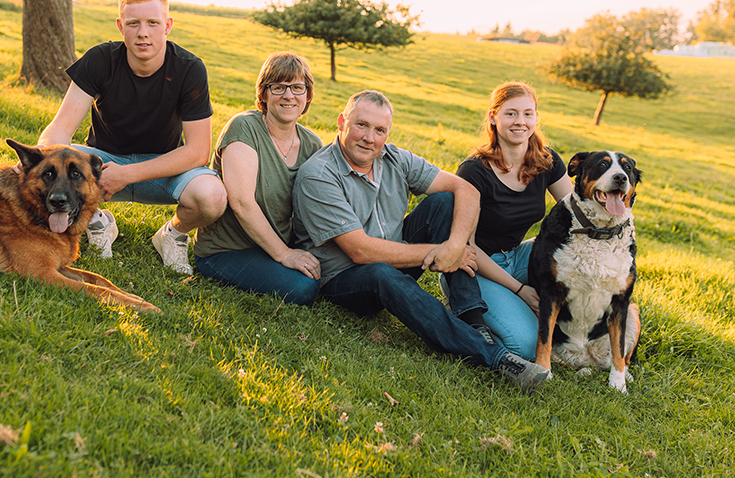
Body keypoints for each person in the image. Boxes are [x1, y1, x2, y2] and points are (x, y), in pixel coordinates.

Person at [291, 90, 550, 392]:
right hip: (344, 278)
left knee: (444, 202)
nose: (369, 138)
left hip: (393, 257)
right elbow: (360, 251)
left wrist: (455, 247)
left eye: (379, 130)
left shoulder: (394, 158)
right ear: (341, 122)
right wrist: (440, 251)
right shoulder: (319, 175)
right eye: (361, 125)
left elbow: (466, 190)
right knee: (381, 273)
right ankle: (495, 357)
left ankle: (475, 321)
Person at [36, 0, 226, 274]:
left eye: (153, 23)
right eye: (133, 23)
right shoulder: (100, 59)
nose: (143, 33)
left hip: (163, 169)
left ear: (168, 25)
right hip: (103, 166)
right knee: (49, 160)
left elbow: (198, 152)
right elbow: (61, 126)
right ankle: (96, 220)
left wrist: (128, 174)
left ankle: (173, 234)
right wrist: (42, 156)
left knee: (212, 197)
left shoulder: (189, 69)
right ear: (120, 26)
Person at [440, 81, 573, 360]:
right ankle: (465, 313)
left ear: (536, 118)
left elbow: (576, 214)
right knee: (525, 345)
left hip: (519, 256)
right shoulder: (474, 171)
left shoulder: (547, 161)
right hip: (476, 267)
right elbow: (467, 247)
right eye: (511, 113)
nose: (520, 121)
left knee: (575, 252)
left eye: (527, 113)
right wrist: (520, 290)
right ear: (493, 117)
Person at [193, 52, 323, 305]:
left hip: (274, 243)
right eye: (278, 87)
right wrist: (284, 254)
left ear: (307, 95)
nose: (289, 95)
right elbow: (242, 203)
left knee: (329, 270)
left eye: (298, 87)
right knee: (303, 288)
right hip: (227, 250)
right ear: (263, 94)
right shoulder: (245, 128)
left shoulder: (312, 144)